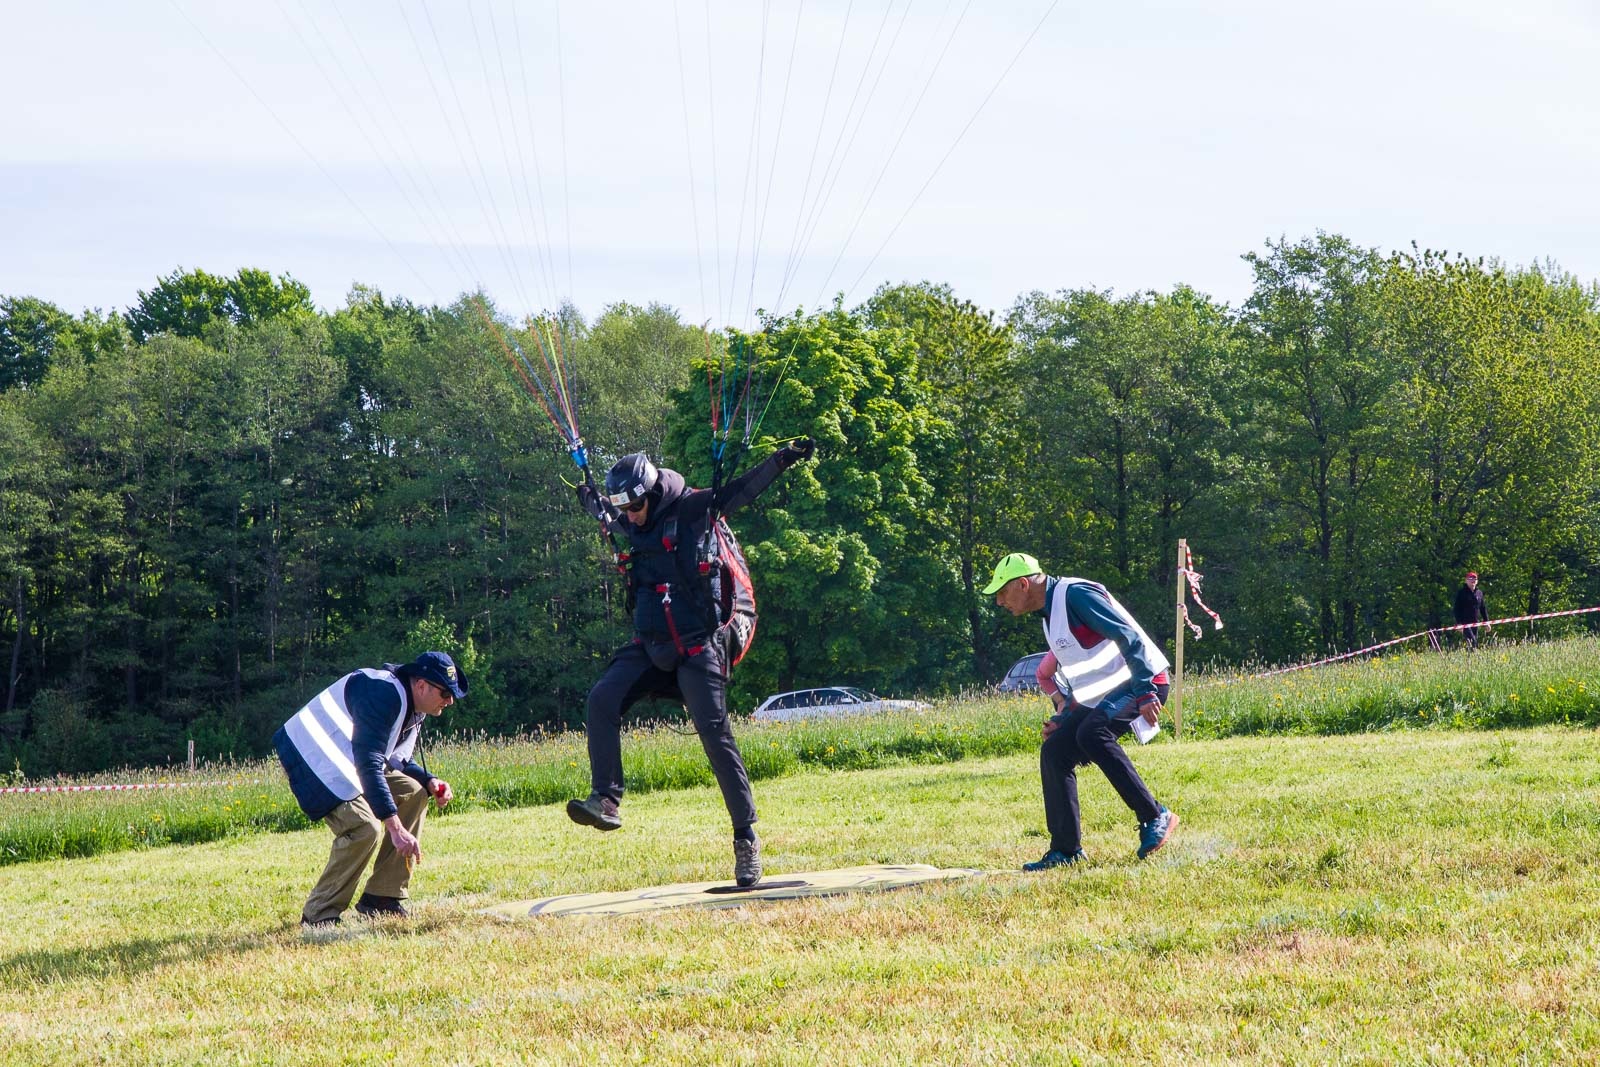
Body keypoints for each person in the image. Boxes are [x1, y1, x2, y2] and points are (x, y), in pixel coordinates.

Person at [567, 440, 814, 887]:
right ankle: (606, 799)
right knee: (602, 699)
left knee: (715, 735)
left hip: (700, 646)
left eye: (636, 506)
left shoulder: (693, 509)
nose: (631, 516)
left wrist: (781, 460)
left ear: (651, 493)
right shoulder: (628, 518)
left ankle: (746, 838)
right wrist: (586, 493)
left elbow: (740, 491)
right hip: (652, 646)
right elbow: (602, 511)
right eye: (625, 509)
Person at [984, 552, 1178, 870]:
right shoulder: (1049, 616)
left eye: (1002, 592)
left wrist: (1145, 691)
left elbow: (1128, 636)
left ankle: (1155, 816)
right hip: (1108, 693)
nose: (999, 601)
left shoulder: (1075, 595)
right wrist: (1063, 717)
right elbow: (1086, 675)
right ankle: (1066, 851)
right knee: (1055, 751)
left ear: (1022, 584)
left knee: (1092, 733)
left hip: (1142, 681)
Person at [273, 651, 467, 927]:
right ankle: (319, 915)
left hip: (346, 761)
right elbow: (369, 763)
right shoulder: (383, 693)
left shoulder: (412, 707)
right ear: (422, 685)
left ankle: (382, 898)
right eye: (445, 693)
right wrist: (396, 829)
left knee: (414, 792)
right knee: (364, 827)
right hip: (312, 759)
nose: (450, 701)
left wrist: (429, 780)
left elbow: (396, 758)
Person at [1453, 571, 1490, 650]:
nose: (1472, 580)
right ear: (1466, 581)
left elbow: (1483, 608)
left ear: (1477, 581)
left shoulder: (1479, 593)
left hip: (1475, 622)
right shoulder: (1461, 593)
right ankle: (1473, 655)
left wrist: (1486, 622)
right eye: (1470, 578)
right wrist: (1459, 623)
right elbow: (1456, 609)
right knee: (1473, 642)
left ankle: (1471, 656)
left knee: (1473, 642)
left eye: (1474, 579)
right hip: (1465, 623)